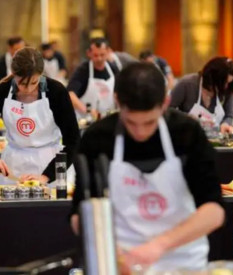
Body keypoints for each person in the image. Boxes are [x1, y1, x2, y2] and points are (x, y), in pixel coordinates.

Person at [70, 63, 224, 272]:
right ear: (118, 102)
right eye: (131, 122)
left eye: (150, 122)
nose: (140, 132)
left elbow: (214, 211)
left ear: (165, 103)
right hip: (122, 263)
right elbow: (80, 213)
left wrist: (158, 246)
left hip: (183, 262)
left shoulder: (186, 133)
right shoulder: (98, 138)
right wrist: (109, 252)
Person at [0, 47, 80, 185]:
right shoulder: (1, 91)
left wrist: (46, 176)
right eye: (22, 83)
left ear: (41, 74)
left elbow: (73, 140)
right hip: (13, 167)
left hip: (52, 166)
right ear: (13, 73)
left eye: (34, 82)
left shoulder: (56, 91)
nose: (28, 89)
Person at [170, 57, 233, 134]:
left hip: (216, 139)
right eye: (224, 82)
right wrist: (186, 118)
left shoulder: (228, 89)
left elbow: (228, 115)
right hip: (186, 137)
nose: (226, 86)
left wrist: (226, 124)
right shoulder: (187, 84)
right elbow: (167, 109)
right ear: (212, 77)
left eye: (229, 83)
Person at [67, 38, 118, 119]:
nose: (99, 59)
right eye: (95, 55)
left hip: (108, 118)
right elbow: (70, 94)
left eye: (102, 55)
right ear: (89, 53)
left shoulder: (113, 69)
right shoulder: (83, 70)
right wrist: (88, 110)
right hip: (86, 120)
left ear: (108, 52)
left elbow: (118, 92)